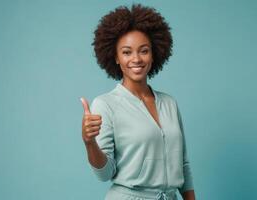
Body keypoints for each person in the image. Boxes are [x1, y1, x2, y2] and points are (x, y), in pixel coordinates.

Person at [81, 4, 195, 200]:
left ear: (154, 53)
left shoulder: (169, 103)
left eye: (144, 51)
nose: (136, 59)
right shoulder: (106, 104)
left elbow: (183, 165)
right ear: (116, 57)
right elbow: (104, 174)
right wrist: (89, 142)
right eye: (126, 52)